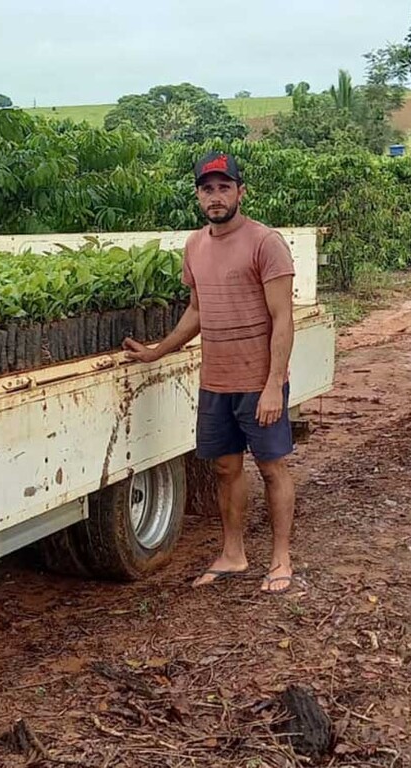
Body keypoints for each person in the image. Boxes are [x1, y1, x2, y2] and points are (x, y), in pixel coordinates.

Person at [122, 151, 297, 595]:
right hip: (216, 380)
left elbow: (283, 319)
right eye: (207, 189)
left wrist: (274, 385)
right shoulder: (195, 245)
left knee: (272, 469)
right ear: (198, 196)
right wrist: (158, 352)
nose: (215, 196)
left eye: (224, 187)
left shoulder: (265, 242)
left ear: (241, 191)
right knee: (224, 468)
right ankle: (233, 553)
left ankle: (280, 558)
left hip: (259, 382)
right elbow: (197, 311)